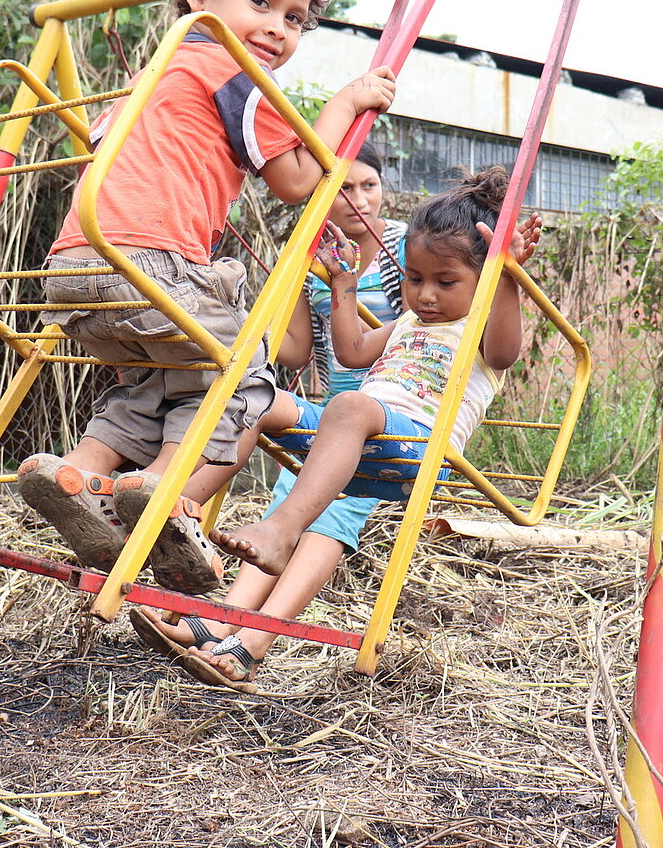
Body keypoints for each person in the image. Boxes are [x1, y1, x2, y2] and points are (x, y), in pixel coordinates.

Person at [16, 0, 396, 593]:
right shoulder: (234, 69)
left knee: (162, 379)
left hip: (72, 271)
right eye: (261, 2)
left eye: (296, 19)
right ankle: (163, 492)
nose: (278, 28)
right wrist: (343, 104)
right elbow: (299, 184)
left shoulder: (151, 74)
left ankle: (78, 467)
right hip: (146, 264)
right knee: (244, 374)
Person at [182, 166, 540, 688]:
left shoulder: (482, 323)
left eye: (446, 282)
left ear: (481, 280)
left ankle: (280, 540)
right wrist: (344, 284)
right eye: (415, 280)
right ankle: (179, 510)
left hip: (417, 446)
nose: (426, 296)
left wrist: (506, 276)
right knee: (260, 398)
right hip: (360, 428)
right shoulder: (411, 321)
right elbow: (351, 351)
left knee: (349, 405)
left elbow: (506, 354)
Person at [128, 142, 409, 689]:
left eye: (368, 185)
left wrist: (347, 288)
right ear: (322, 200)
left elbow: (419, 328)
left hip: (385, 413)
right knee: (266, 429)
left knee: (332, 510)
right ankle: (216, 618)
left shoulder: (402, 251)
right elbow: (295, 351)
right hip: (329, 407)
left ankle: (253, 644)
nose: (358, 200)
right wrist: (272, 296)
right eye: (343, 189)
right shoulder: (317, 254)